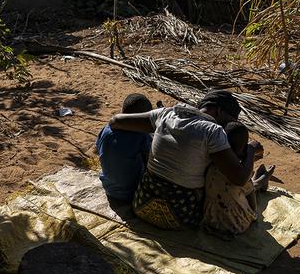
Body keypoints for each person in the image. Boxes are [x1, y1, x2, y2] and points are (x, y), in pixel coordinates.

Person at [108, 89, 261, 230]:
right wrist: (251, 150)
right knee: (220, 174)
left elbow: (115, 121)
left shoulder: (166, 114)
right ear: (219, 110)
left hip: (142, 205)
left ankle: (257, 184)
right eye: (230, 120)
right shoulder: (213, 131)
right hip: (183, 218)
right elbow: (239, 178)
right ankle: (256, 188)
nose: (229, 126)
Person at [202, 122, 272, 237]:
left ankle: (260, 180)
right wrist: (253, 215)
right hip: (237, 225)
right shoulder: (239, 175)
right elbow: (251, 199)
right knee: (249, 189)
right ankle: (261, 181)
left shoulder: (212, 163)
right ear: (244, 149)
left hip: (210, 221)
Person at [96, 93, 153, 203]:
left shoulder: (106, 130)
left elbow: (99, 148)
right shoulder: (142, 137)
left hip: (109, 188)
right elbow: (149, 163)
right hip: (132, 193)